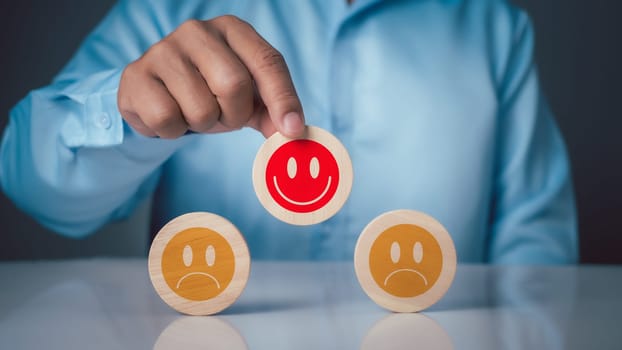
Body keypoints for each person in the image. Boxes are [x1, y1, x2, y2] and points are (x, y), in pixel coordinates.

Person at [0, 0, 577, 263]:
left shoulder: (494, 27)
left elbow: (537, 251)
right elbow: (32, 186)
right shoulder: (168, 9)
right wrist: (124, 106)